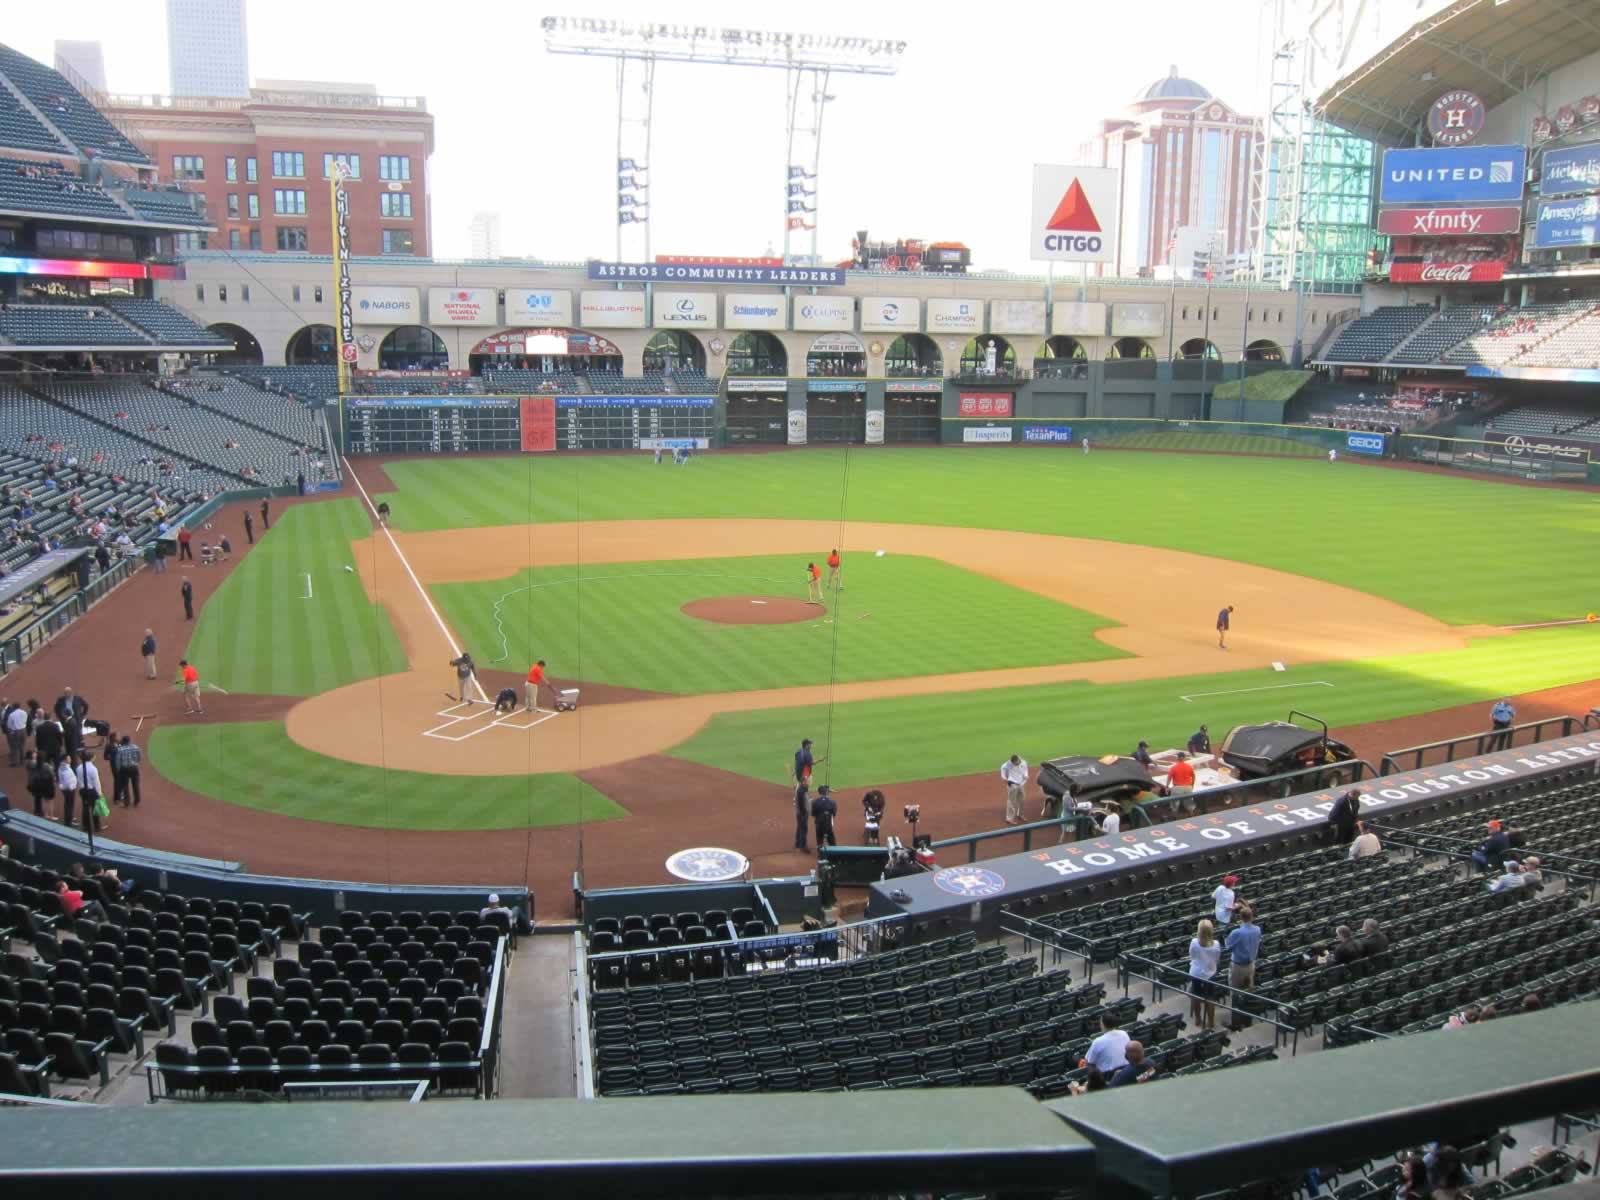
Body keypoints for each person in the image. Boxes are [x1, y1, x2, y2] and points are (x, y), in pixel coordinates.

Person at [1224, 906, 1261, 1028]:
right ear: (1251, 917)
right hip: (1251, 966)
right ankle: (1247, 1021)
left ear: (1240, 917)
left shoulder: (1237, 932)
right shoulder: (1257, 929)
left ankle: (1235, 1023)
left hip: (1238, 967)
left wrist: (1226, 939)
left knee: (1235, 994)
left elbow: (1227, 946)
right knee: (1248, 993)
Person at [1188, 918, 1222, 1029]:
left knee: (1195, 995)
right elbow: (1217, 959)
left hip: (1196, 973)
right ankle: (1211, 1022)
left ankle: (1198, 1019)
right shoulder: (1216, 944)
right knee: (1210, 998)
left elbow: (1192, 955)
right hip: (1210, 974)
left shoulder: (1194, 942)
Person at [793, 738, 821, 852]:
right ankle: (802, 846)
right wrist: (806, 810)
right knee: (803, 828)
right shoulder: (802, 791)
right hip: (801, 813)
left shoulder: (799, 752)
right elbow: (802, 803)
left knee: (800, 827)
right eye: (810, 744)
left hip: (799, 811)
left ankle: (797, 844)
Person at [77, 751, 103, 844]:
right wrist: (99, 792)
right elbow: (96, 782)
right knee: (94, 808)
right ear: (91, 758)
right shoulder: (93, 768)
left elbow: (79, 779)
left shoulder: (79, 767)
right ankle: (97, 826)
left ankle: (85, 825)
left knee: (85, 807)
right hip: (91, 790)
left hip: (83, 790)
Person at [110, 735, 142, 808]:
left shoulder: (120, 749)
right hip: (134, 768)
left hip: (124, 769)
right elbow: (139, 757)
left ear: (123, 742)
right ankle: (137, 800)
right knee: (136, 785)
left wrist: (118, 770)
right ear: (129, 741)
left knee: (125, 786)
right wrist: (135, 763)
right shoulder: (135, 747)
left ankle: (127, 802)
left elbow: (118, 761)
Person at [25, 750, 54, 818]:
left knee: (37, 797)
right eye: (34, 753)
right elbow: (41, 766)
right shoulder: (31, 763)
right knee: (38, 797)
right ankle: (38, 811)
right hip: (34, 782)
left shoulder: (33, 762)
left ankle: (38, 810)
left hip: (35, 781)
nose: (35, 754)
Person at [1000, 754, 1028, 825]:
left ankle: (1020, 815)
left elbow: (1025, 770)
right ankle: (1009, 819)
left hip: (1021, 784)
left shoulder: (1024, 762)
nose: (1015, 764)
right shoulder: (1009, 764)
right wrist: (1004, 778)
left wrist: (1026, 775)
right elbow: (1003, 768)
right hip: (1012, 784)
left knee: (1022, 800)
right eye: (1014, 763)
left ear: (1018, 759)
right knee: (1012, 801)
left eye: (1016, 763)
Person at [811, 784, 838, 851]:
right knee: (832, 841)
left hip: (819, 824)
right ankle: (834, 854)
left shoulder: (814, 802)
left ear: (819, 792)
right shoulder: (832, 802)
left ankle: (820, 854)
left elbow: (813, 813)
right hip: (828, 824)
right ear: (826, 792)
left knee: (819, 839)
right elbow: (834, 813)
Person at [57, 752, 79, 830]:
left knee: (68, 804)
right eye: (69, 758)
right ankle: (68, 821)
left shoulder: (63, 767)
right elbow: (67, 781)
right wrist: (72, 787)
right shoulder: (65, 769)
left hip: (67, 789)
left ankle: (69, 818)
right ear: (65, 759)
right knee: (69, 805)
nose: (70, 759)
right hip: (69, 790)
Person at [3, 699, 24, 766]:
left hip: (14, 731)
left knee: (14, 746)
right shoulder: (23, 712)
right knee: (20, 746)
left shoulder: (11, 714)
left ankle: (15, 762)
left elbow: (9, 724)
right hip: (22, 730)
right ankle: (22, 761)